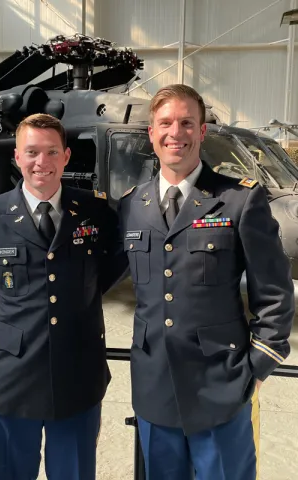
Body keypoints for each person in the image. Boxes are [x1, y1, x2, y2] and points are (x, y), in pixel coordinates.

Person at [118, 84, 295, 480]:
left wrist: (257, 368)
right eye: (165, 123)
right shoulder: (132, 205)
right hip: (154, 389)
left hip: (222, 384)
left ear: (202, 132)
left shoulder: (238, 200)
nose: (175, 133)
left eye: (186, 123)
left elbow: (275, 294)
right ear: (151, 133)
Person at [0, 113, 127, 480]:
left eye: (50, 152)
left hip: (77, 379)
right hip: (10, 382)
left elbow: (114, 266)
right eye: (31, 152)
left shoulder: (96, 211)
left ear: (66, 156)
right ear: (17, 157)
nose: (41, 163)